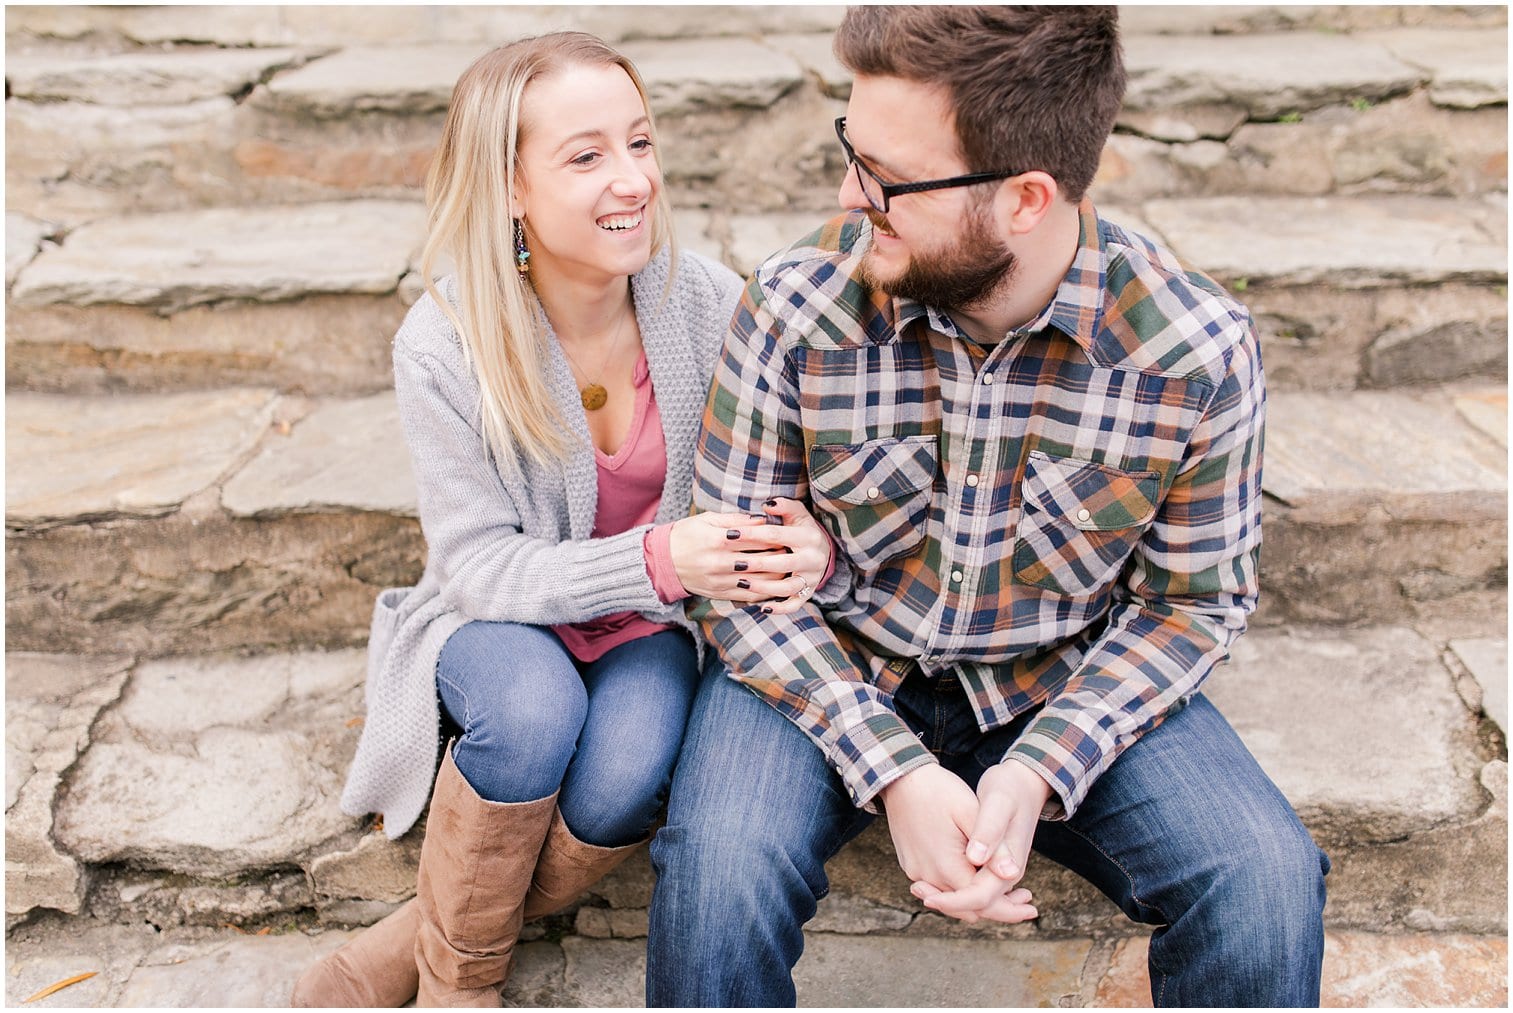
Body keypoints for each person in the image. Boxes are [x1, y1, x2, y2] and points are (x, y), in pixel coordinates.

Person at [647, 6, 1329, 1008]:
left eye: (885, 176)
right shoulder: (796, 302)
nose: (848, 194)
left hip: (1059, 673)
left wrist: (1041, 769)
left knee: (1264, 882)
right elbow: (741, 576)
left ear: (1024, 198)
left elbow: (1189, 603)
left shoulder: (1193, 350)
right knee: (716, 873)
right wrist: (894, 771)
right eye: (851, 153)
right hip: (833, 660)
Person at [291, 32, 831, 1008]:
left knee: (625, 772)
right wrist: (664, 553)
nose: (631, 181)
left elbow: (777, 480)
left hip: (648, 625)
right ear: (509, 188)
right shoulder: (446, 344)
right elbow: (477, 570)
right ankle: (462, 980)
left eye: (639, 143)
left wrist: (794, 534)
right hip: (497, 620)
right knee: (534, 716)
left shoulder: (706, 301)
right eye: (584, 156)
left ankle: (406, 939)